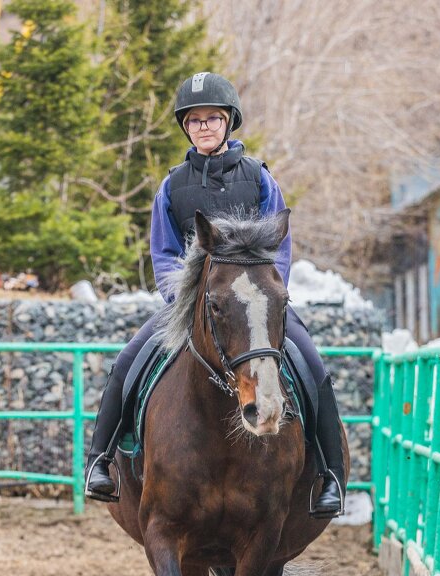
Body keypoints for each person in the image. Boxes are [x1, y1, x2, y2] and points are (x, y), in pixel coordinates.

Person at [85, 71, 345, 518]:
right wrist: (182, 300)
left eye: (212, 118)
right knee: (127, 361)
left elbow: (278, 249)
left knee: (312, 365)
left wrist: (266, 294)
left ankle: (330, 476)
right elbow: (163, 252)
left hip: (257, 306)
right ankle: (101, 462)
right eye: (195, 120)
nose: (204, 126)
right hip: (191, 307)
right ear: (186, 127)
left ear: (229, 122)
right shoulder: (172, 186)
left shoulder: (259, 178)